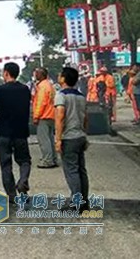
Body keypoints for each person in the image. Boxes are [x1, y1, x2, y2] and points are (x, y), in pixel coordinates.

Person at [0, 62, 32, 203]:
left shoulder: (0, 90)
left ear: (6, 73)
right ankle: (23, 182)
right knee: (25, 161)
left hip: (4, 133)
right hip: (21, 132)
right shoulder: (25, 89)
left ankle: (12, 196)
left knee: (6, 164)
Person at [55, 67, 89, 212]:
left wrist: (58, 139)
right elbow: (86, 118)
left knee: (72, 171)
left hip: (68, 138)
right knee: (81, 170)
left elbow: (60, 116)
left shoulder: (61, 95)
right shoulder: (81, 96)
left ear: (63, 79)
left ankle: (76, 203)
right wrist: (85, 134)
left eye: (60, 74)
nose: (58, 76)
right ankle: (84, 201)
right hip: (80, 136)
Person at [33, 67, 58, 168]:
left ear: (41, 75)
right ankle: (53, 158)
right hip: (51, 115)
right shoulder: (49, 85)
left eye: (37, 73)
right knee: (50, 138)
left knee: (44, 139)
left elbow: (41, 103)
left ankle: (47, 160)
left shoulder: (42, 87)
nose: (35, 75)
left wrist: (36, 116)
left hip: (43, 116)